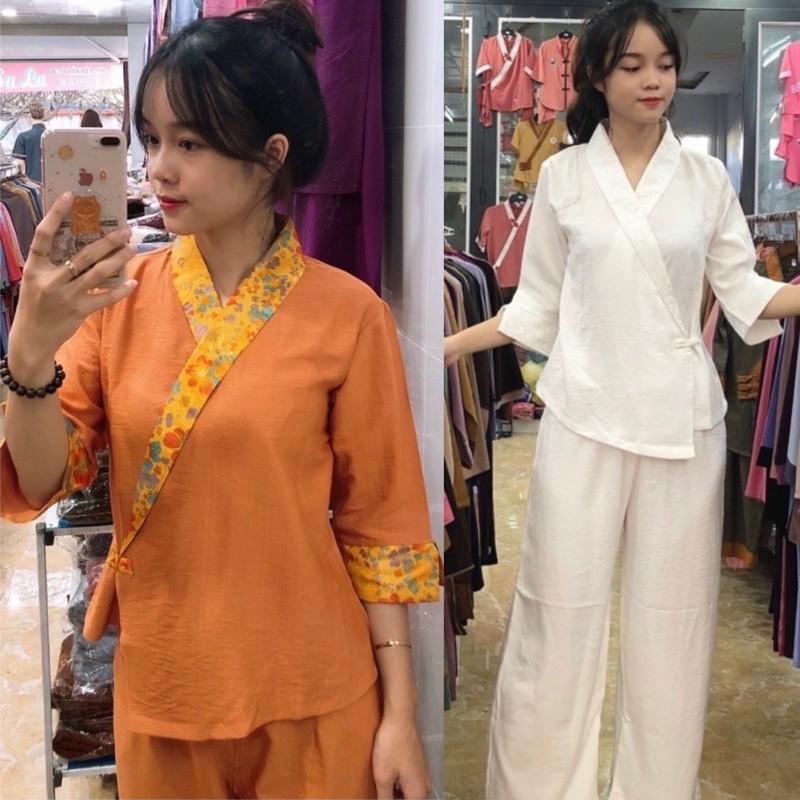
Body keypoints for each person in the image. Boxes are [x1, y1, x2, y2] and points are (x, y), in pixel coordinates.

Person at [1, 3, 439, 798]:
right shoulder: (119, 300)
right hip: (168, 685)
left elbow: (381, 530)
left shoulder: (349, 316)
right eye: (153, 139)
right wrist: (29, 354)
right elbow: (42, 479)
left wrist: (400, 713)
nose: (159, 169)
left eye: (191, 143)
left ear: (271, 155)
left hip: (315, 690)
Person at [445, 2, 800, 798]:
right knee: (555, 613)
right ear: (598, 76)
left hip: (682, 423)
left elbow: (745, 293)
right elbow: (536, 309)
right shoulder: (565, 177)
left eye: (665, 65)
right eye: (633, 65)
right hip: (584, 415)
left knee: (673, 629)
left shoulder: (705, 179)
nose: (653, 80)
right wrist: (442, 348)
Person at [12, 102, 46, 182]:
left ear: (29, 115)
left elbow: (19, 164)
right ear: (44, 115)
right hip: (53, 181)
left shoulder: (23, 137)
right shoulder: (53, 136)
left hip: (31, 182)